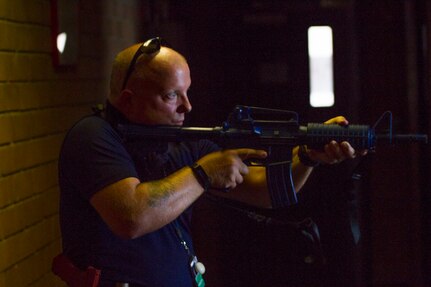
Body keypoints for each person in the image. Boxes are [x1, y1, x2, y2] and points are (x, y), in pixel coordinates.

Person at [57, 37, 363, 287]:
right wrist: (203, 174)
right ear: (127, 100)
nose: (186, 107)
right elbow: (131, 217)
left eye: (187, 93)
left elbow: (269, 190)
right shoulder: (94, 137)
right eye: (171, 96)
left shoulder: (180, 146)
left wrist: (308, 156)